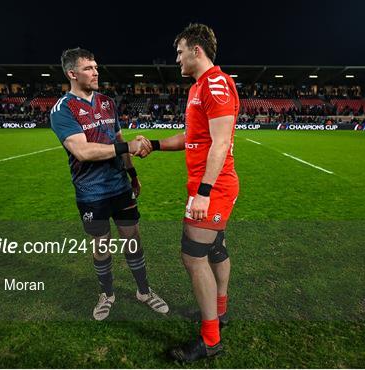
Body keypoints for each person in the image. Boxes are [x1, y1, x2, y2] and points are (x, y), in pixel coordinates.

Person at [138, 24, 240, 361]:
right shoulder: (199, 87)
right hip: (212, 185)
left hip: (213, 186)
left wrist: (204, 193)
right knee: (215, 249)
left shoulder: (214, 84)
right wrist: (153, 145)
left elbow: (221, 142)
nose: (177, 58)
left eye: (180, 51)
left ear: (197, 50)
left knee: (192, 256)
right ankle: (220, 313)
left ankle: (210, 340)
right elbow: (191, 138)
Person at [50, 47, 168, 321]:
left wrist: (132, 174)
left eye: (96, 66)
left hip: (119, 186)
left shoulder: (106, 102)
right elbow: (83, 152)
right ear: (72, 73)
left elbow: (117, 139)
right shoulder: (63, 109)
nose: (95, 72)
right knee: (101, 245)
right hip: (91, 192)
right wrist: (129, 145)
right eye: (89, 68)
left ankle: (143, 291)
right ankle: (107, 294)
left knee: (133, 239)